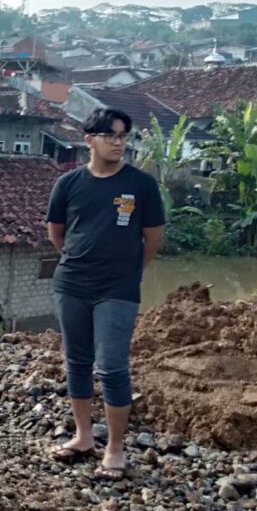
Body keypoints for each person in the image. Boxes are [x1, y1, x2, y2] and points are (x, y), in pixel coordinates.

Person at [45, 107, 165, 482]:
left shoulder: (141, 185)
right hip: (72, 283)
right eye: (111, 136)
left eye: (123, 137)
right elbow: (57, 233)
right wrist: (78, 261)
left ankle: (114, 447)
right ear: (89, 140)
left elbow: (154, 238)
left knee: (112, 367)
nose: (118, 143)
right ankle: (83, 437)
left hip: (118, 289)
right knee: (77, 362)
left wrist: (130, 272)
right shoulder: (68, 184)